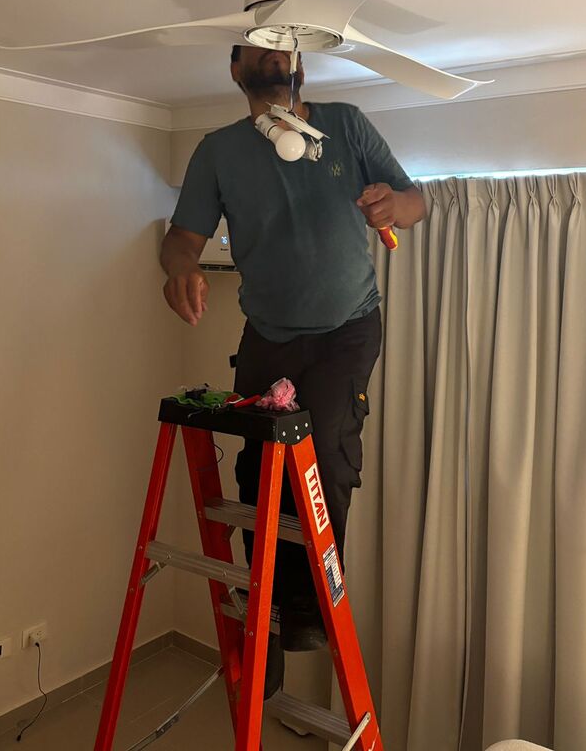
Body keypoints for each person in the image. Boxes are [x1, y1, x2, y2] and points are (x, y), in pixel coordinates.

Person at [161, 44, 425, 698]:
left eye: (285, 45)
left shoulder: (346, 124)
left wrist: (394, 205)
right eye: (259, 47)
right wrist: (180, 268)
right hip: (268, 336)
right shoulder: (218, 151)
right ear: (235, 67)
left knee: (325, 457)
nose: (274, 55)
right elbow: (182, 238)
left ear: (301, 58)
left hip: (347, 329)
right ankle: (268, 624)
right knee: (258, 473)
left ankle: (306, 610)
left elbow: (416, 201)